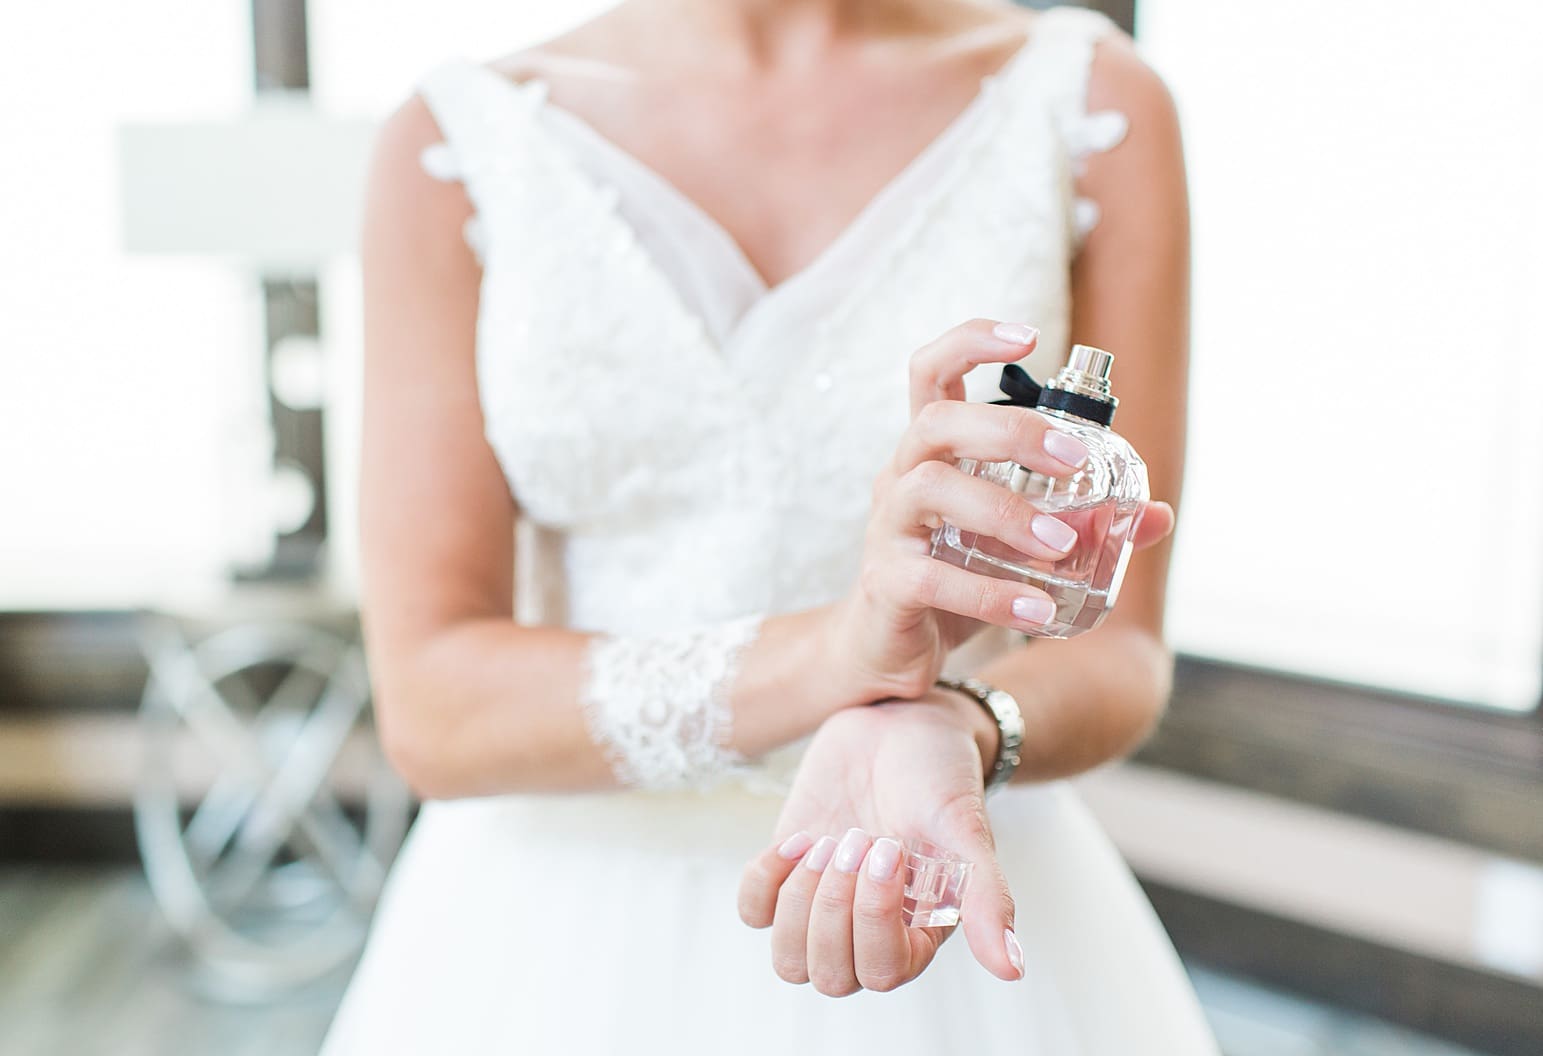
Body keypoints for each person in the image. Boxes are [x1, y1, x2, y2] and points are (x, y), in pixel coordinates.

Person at [322, 0, 1214, 1051]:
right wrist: (840, 658)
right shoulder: (454, 142)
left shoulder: (1090, 103)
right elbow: (433, 710)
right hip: (551, 946)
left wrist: (951, 720)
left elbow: (1121, 644)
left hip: (941, 885)